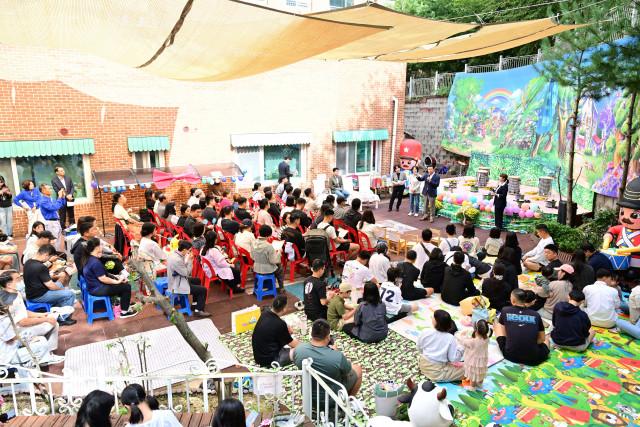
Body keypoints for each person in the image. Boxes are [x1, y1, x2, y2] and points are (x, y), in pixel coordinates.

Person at [1, 270, 63, 363]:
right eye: (18, 279)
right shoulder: (9, 301)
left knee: (51, 322)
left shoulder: (15, 294)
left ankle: (48, 354)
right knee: (49, 327)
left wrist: (42, 315)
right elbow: (22, 321)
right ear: (9, 285)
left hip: (17, 332)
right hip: (11, 347)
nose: (21, 281)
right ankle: (46, 357)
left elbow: (23, 312)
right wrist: (45, 319)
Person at [293, 319, 362, 396]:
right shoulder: (337, 356)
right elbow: (347, 371)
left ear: (311, 334)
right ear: (328, 336)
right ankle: (346, 401)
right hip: (330, 397)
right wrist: (336, 352)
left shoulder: (299, 349)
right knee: (358, 369)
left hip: (307, 394)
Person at [83, 238, 139, 319]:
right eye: (101, 245)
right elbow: (103, 279)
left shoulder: (89, 258)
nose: (102, 247)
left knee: (123, 284)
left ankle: (124, 303)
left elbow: (104, 274)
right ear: (97, 247)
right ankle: (124, 312)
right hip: (97, 289)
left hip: (94, 287)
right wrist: (117, 282)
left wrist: (117, 278)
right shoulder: (95, 262)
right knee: (126, 287)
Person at [495, 289, 550, 366]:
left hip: (510, 355)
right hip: (534, 358)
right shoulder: (535, 314)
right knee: (547, 339)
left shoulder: (505, 310)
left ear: (513, 301)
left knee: (497, 326)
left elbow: (503, 333)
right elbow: (542, 339)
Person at [24, 245, 76, 325]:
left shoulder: (29, 262)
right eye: (49, 257)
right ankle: (61, 318)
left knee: (60, 284)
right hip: (39, 296)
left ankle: (57, 308)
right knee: (70, 294)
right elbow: (51, 286)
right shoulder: (40, 267)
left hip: (31, 294)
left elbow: (40, 272)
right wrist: (63, 290)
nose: (48, 259)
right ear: (46, 255)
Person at [252, 295, 299, 367]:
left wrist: (286, 326)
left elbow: (276, 323)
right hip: (270, 360)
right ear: (284, 309)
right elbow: (293, 344)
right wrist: (306, 346)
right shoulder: (279, 324)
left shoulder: (265, 313)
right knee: (299, 351)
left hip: (258, 357)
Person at [167, 240, 211, 317]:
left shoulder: (175, 254)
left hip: (177, 279)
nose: (190, 252)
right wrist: (190, 261)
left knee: (197, 280)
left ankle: (195, 304)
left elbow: (182, 268)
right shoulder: (177, 260)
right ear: (184, 250)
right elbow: (187, 273)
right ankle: (198, 310)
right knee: (203, 290)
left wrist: (187, 261)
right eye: (189, 250)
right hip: (177, 285)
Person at [416, 310, 463, 381]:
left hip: (423, 364)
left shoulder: (425, 331)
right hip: (437, 372)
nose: (431, 318)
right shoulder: (450, 338)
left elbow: (419, 347)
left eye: (433, 317)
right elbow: (453, 359)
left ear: (436, 322)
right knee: (468, 370)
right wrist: (461, 348)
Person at [458, 319, 491, 390]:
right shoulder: (487, 338)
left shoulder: (473, 342)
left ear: (476, 331)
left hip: (473, 361)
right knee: (480, 372)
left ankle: (472, 386)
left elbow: (463, 342)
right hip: (482, 361)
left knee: (473, 374)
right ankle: (480, 383)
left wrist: (462, 335)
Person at [251, 225, 284, 291]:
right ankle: (281, 287)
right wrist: (279, 252)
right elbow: (274, 261)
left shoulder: (253, 243)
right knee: (279, 267)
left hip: (256, 267)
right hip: (267, 269)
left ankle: (266, 284)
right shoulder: (268, 246)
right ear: (268, 235)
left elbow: (252, 256)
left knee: (276, 266)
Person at [36, 183, 67, 249]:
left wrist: (63, 197)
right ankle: (52, 254)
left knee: (58, 241)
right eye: (49, 188)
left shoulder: (50, 199)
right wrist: (59, 197)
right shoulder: (43, 201)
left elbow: (61, 205)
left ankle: (56, 253)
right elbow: (53, 207)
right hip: (51, 223)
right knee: (53, 242)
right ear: (43, 190)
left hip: (56, 222)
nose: (51, 190)